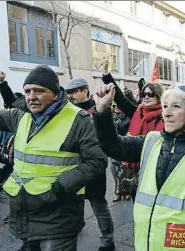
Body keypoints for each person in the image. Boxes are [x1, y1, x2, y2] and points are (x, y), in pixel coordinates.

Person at [93, 82, 185, 251]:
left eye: (176, 106)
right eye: (165, 106)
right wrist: (102, 112)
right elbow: (114, 146)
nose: (167, 113)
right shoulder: (151, 140)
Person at [0, 65, 106, 251]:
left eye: (39, 91)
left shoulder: (78, 120)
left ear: (56, 94)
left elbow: (96, 162)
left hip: (58, 218)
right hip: (26, 214)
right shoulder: (20, 116)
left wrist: (59, 187)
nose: (31, 96)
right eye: (27, 91)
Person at [101, 60, 164, 202]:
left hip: (152, 167)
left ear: (159, 96)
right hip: (132, 166)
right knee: (137, 203)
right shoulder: (138, 112)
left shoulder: (165, 116)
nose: (146, 96)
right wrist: (106, 75)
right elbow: (120, 99)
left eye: (151, 94)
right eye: (144, 94)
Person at [64, 78, 116, 251]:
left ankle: (107, 241)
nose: (70, 96)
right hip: (73, 167)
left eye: (74, 92)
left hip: (94, 166)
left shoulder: (99, 109)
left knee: (99, 206)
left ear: (85, 90)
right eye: (68, 93)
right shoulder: (66, 111)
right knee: (72, 205)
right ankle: (74, 229)